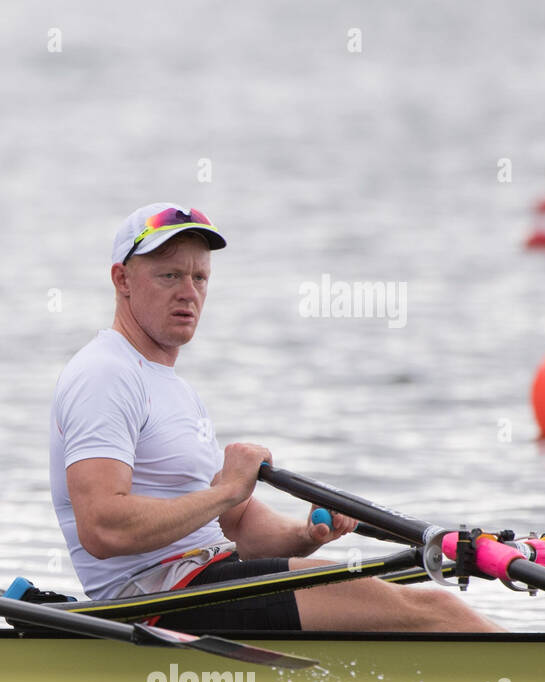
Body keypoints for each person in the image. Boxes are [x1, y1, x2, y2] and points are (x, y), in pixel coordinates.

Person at [49, 202, 501, 632]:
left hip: (207, 579)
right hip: (154, 603)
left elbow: (239, 524)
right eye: (169, 275)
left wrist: (305, 534)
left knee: (414, 605)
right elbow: (103, 526)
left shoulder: (175, 389)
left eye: (200, 277)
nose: (189, 292)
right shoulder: (105, 374)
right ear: (122, 279)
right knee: (436, 608)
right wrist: (226, 490)